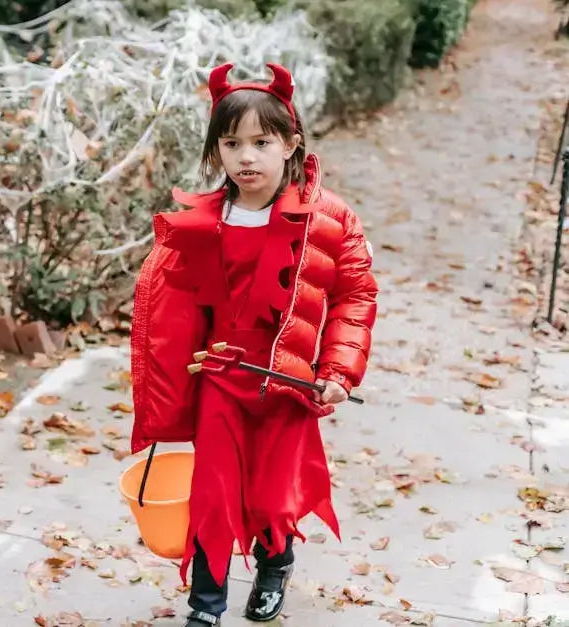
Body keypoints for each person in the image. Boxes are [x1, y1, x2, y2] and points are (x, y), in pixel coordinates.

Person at [128, 62, 378, 626]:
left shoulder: (329, 220)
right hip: (221, 373)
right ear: (216, 150)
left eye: (262, 142)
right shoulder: (202, 222)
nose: (247, 157)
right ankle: (206, 603)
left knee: (271, 495)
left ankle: (274, 566)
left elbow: (355, 295)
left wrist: (338, 370)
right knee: (213, 492)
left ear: (290, 144)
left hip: (288, 380)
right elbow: (167, 307)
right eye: (232, 142)